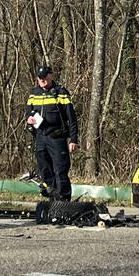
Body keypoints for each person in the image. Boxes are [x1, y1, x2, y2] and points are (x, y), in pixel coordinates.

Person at [25, 65, 78, 200]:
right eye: (40, 78)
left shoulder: (60, 92)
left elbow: (71, 118)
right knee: (45, 170)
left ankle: (64, 200)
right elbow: (28, 114)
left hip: (57, 137)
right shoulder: (33, 93)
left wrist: (73, 139)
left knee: (60, 170)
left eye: (45, 77)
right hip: (40, 137)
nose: (42, 80)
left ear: (51, 76)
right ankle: (52, 199)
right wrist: (29, 120)